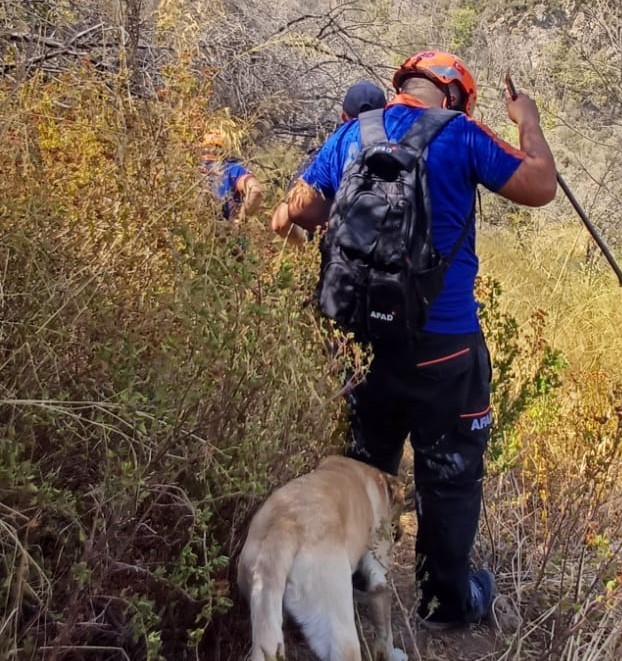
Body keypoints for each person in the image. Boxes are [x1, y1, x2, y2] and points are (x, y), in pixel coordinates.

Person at [287, 51, 557, 629]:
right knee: (451, 474)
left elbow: (295, 211)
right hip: (446, 349)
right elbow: (539, 185)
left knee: (364, 467)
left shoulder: (352, 135)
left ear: (402, 86)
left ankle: (358, 582)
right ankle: (445, 604)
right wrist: (527, 119)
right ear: (455, 95)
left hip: (361, 348)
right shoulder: (461, 134)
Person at [269, 80, 386, 246]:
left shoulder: (329, 150)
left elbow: (280, 222)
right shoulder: (400, 145)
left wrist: (308, 252)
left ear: (343, 116)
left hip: (342, 256)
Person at [199, 130, 264, 225]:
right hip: (222, 231)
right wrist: (240, 219)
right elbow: (256, 190)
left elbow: (256, 191)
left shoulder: (184, 168)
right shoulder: (233, 169)